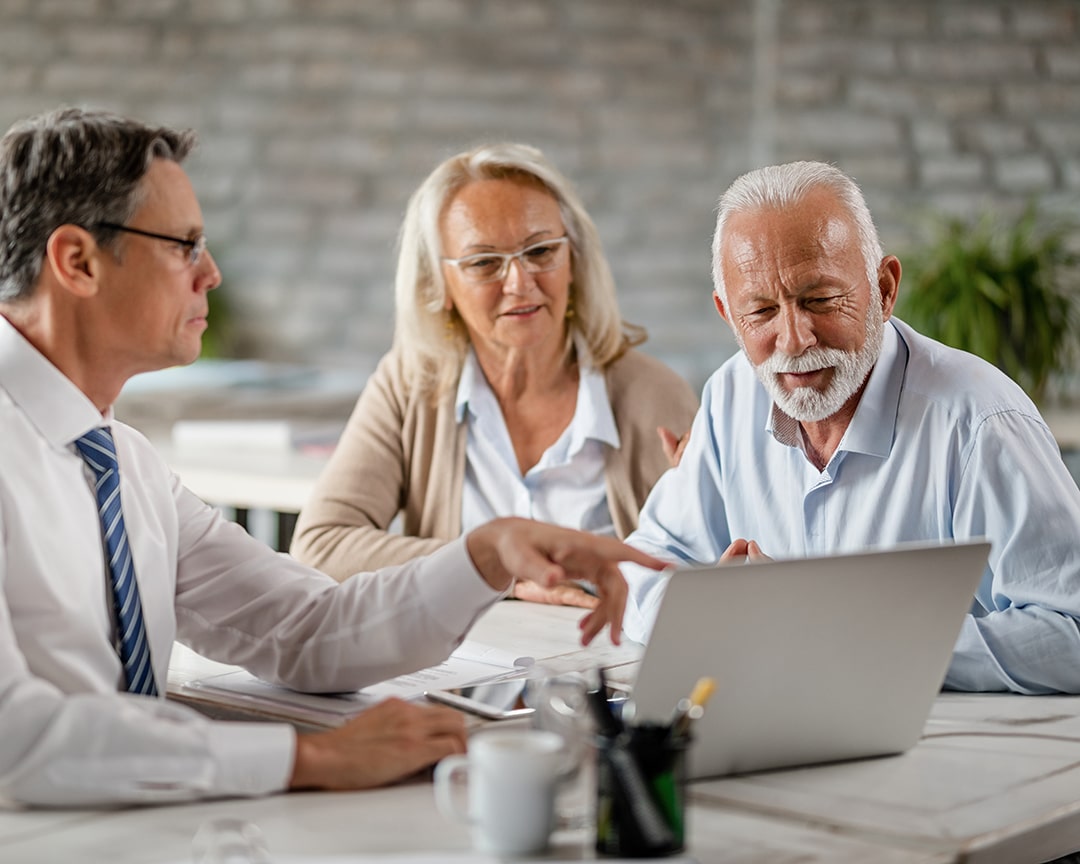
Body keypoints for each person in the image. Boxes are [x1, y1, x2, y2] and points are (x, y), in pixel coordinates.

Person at [0, 107, 665, 808]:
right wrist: (305, 757)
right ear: (76, 262)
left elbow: (311, 630)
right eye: (185, 245)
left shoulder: (124, 467)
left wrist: (490, 554)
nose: (212, 274)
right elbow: (16, 741)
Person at [620, 160, 1080, 695]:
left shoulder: (980, 420)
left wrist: (842, 634)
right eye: (761, 311)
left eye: (819, 299)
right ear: (728, 315)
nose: (793, 340)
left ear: (884, 290)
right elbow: (643, 568)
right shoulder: (730, 395)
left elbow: (1071, 629)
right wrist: (711, 616)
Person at [289, 142, 697, 607]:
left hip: (604, 667)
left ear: (574, 263)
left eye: (540, 251)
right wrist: (497, 567)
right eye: (483, 262)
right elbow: (321, 545)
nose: (520, 284)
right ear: (437, 285)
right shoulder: (410, 383)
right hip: (462, 670)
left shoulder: (654, 394)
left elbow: (699, 566)